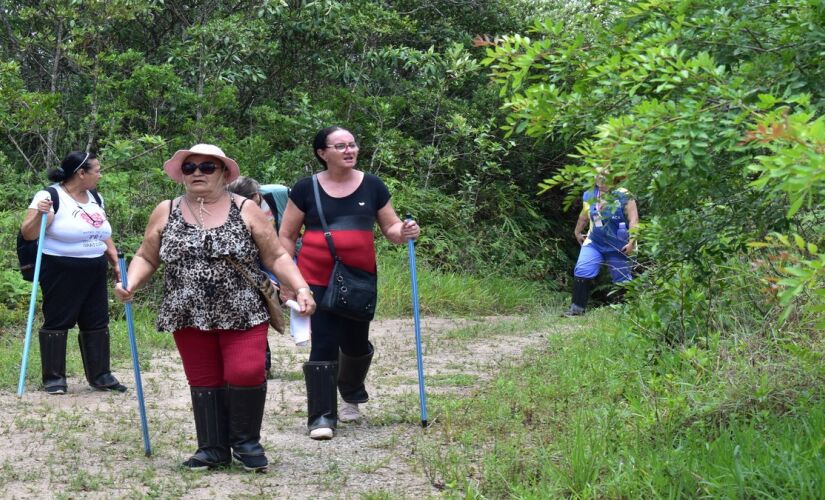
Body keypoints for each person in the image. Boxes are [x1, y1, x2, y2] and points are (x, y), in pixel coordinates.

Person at [113, 144, 316, 472]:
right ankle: (212, 448)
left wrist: (302, 286)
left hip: (243, 308)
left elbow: (276, 254)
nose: (197, 173)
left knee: (246, 371)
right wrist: (130, 283)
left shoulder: (246, 208)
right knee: (203, 378)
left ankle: (246, 443)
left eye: (207, 167)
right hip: (187, 310)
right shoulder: (166, 209)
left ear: (224, 173)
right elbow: (147, 255)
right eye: (190, 168)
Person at [279, 126, 420, 440]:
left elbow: (391, 228)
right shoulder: (304, 189)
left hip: (359, 278)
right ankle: (321, 417)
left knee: (355, 343)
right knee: (324, 342)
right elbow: (287, 236)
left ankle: (352, 391)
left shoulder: (373, 186)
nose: (349, 150)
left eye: (352, 144)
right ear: (322, 153)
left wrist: (405, 231)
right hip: (314, 277)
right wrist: (288, 279)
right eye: (340, 146)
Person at [20, 151, 127, 395]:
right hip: (60, 267)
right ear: (81, 173)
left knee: (97, 321)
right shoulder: (50, 195)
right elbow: (28, 234)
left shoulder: (95, 197)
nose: (100, 174)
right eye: (97, 170)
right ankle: (54, 378)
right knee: (58, 320)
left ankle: (101, 376)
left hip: (94, 267)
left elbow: (102, 230)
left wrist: (114, 259)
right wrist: (41, 213)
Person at [563, 173, 639, 316]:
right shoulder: (590, 194)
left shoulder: (624, 194)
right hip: (595, 242)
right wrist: (577, 232)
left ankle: (626, 313)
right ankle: (576, 309)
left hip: (619, 245)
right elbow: (584, 215)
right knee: (582, 270)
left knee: (622, 278)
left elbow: (634, 220)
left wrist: (631, 242)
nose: (600, 179)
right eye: (598, 176)